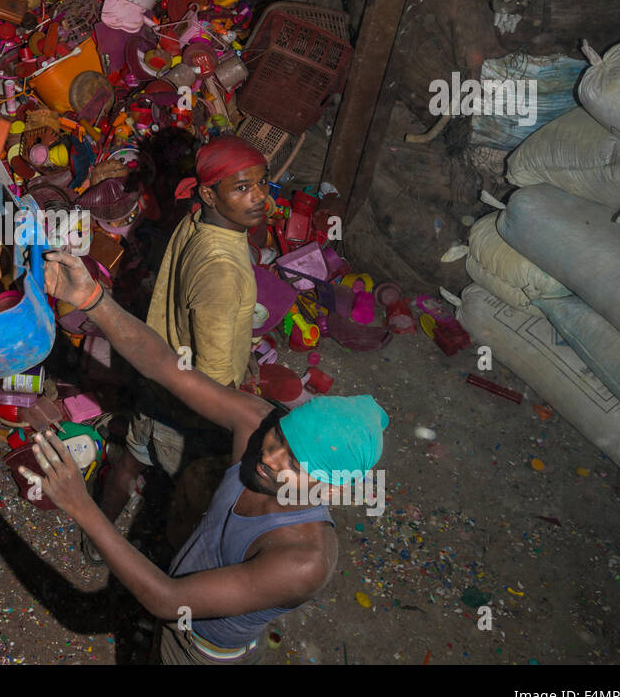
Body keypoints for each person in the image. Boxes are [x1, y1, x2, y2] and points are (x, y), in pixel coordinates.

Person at [24, 250, 388, 664]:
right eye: (281, 436)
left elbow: (167, 598)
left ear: (334, 487)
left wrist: (82, 506)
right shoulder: (256, 426)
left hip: (205, 650)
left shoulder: (304, 560)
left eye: (296, 463)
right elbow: (165, 367)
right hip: (181, 594)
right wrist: (93, 299)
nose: (270, 456)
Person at [86, 135, 270, 559]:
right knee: (193, 498)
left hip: (158, 377)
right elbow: (216, 377)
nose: (259, 197)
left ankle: (95, 542)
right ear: (209, 192)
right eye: (242, 188)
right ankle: (170, 573)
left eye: (262, 183)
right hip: (190, 411)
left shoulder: (196, 219)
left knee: (129, 462)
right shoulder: (222, 270)